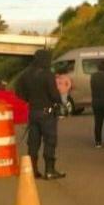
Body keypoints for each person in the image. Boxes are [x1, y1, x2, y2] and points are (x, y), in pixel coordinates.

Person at [14, 49, 64, 180]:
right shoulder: (48, 74)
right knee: (50, 141)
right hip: (47, 112)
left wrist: (29, 99)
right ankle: (49, 170)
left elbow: (18, 91)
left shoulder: (26, 74)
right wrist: (59, 101)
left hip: (33, 111)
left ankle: (33, 170)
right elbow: (54, 94)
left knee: (33, 142)